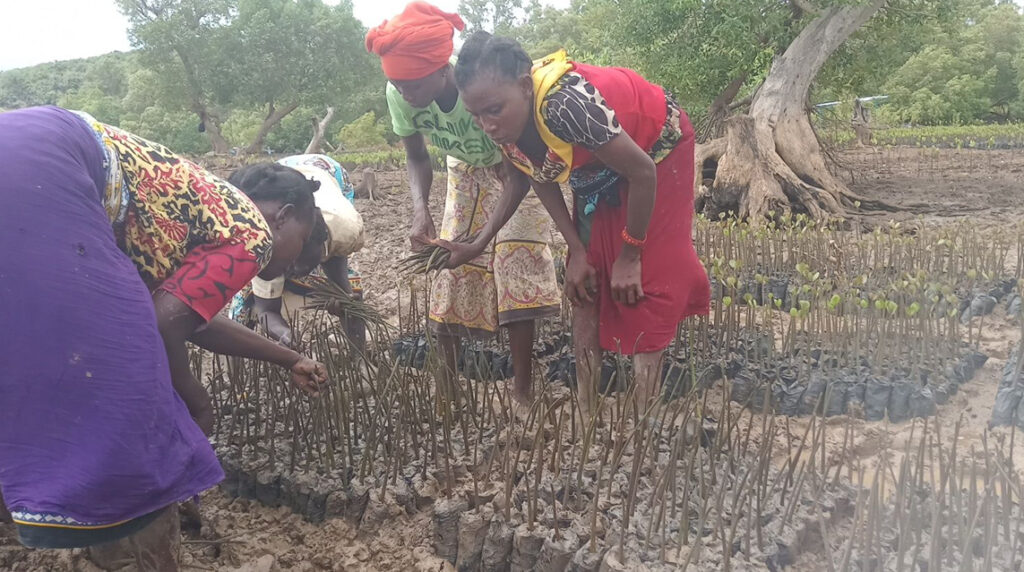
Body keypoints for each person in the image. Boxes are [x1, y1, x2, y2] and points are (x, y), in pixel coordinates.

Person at [0, 106, 328, 568]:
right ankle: (137, 547)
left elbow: (187, 318)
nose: (294, 263)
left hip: (28, 148)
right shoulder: (252, 232)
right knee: (131, 395)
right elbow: (159, 327)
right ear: (284, 216)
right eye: (304, 237)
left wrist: (289, 357)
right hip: (48, 166)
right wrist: (197, 403)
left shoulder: (199, 218)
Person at [450, 33, 711, 413]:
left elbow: (641, 173)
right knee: (584, 280)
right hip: (596, 164)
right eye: (476, 115)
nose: (486, 124)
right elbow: (534, 174)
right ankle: (588, 409)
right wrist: (574, 249)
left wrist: (631, 254)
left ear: (525, 87)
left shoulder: (565, 105)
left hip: (656, 149)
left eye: (492, 111)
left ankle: (645, 412)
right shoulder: (504, 121)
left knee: (645, 280)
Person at [365, 2, 561, 406]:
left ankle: (523, 390)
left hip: (516, 167)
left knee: (514, 261)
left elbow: (516, 176)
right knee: (449, 266)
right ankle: (447, 386)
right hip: (465, 170)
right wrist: (422, 210)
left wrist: (484, 240)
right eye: (398, 84)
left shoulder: (479, 92)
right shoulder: (400, 92)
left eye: (413, 84)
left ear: (443, 70)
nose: (405, 92)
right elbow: (417, 156)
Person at [230, 154, 367, 353]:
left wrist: (343, 296)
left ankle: (360, 356)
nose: (292, 269)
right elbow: (266, 310)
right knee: (243, 300)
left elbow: (340, 274)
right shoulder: (265, 243)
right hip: (279, 179)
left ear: (322, 248)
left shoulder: (347, 229)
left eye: (298, 261)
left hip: (329, 171)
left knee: (351, 290)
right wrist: (287, 337)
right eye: (289, 263)